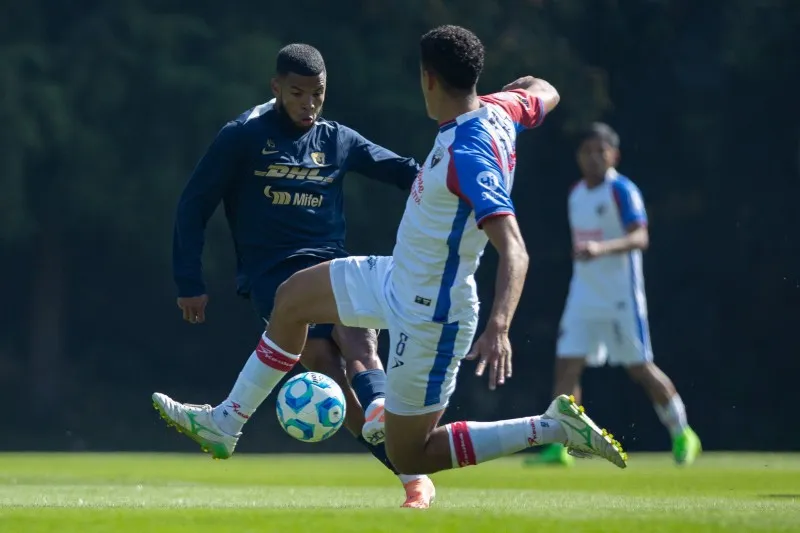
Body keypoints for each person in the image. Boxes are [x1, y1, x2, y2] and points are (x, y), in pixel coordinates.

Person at [153, 24, 629, 487]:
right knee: (292, 297)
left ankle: (551, 427)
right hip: (397, 276)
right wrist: (518, 91)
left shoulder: (469, 155)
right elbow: (544, 91)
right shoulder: (500, 109)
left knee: (411, 453)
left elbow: (515, 250)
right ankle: (226, 423)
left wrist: (500, 326)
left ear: (428, 79)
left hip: (432, 310)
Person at [153, 43, 436, 508]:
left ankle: (387, 422)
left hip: (330, 262)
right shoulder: (243, 135)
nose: (309, 104)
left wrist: (455, 187)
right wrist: (189, 281)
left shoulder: (337, 139)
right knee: (327, 368)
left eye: (317, 94)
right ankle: (409, 472)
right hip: (274, 276)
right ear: (277, 87)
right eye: (298, 93)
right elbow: (193, 204)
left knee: (358, 340)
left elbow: (404, 171)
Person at [526, 123, 702, 467]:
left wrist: (601, 248)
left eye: (600, 151)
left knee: (639, 368)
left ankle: (682, 432)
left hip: (621, 298)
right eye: (586, 151)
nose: (593, 157)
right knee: (566, 367)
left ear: (614, 155)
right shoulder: (576, 193)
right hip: (583, 294)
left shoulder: (622, 190)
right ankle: (562, 445)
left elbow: (640, 237)